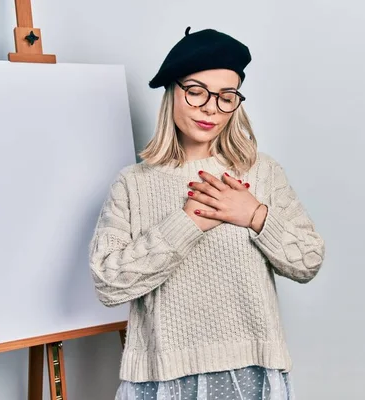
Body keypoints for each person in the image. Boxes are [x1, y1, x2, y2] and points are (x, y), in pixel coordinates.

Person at [89, 26, 325, 400]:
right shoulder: (133, 183)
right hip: (163, 377)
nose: (211, 108)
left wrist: (255, 215)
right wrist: (187, 223)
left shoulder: (261, 173)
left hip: (251, 371)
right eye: (197, 92)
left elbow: (308, 260)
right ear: (172, 92)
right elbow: (108, 283)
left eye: (226, 97)